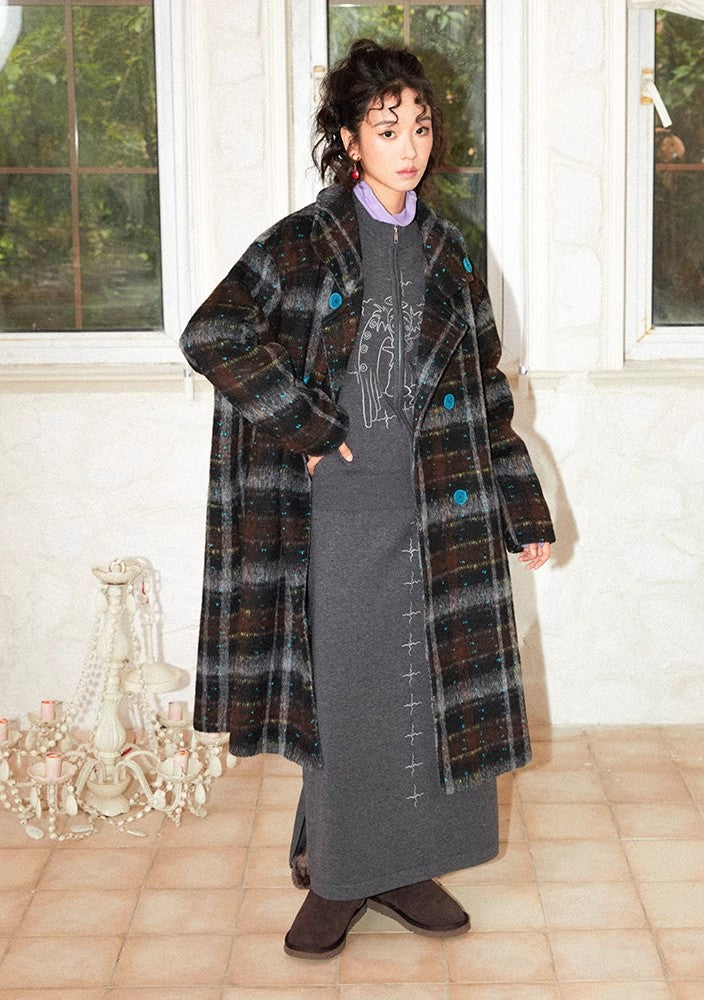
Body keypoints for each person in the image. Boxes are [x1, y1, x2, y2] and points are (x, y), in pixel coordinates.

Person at [179, 38, 555, 961]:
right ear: (350, 140)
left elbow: (486, 389)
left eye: (419, 126)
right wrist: (307, 427)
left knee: (426, 693)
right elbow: (212, 332)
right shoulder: (301, 243)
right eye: (388, 128)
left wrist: (521, 508)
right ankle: (339, 874)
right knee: (345, 698)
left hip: (438, 506)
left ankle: (402, 866)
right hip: (336, 515)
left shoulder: (451, 252)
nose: (409, 144)